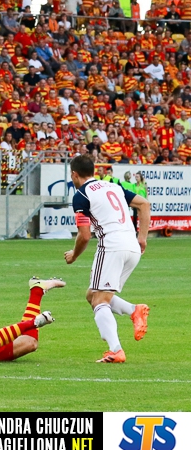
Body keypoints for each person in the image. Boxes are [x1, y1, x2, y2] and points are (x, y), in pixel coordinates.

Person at [64, 155, 151, 363]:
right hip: (132, 247)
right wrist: (142, 238)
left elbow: (85, 235)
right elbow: (144, 204)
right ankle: (134, 310)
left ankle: (115, 350)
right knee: (92, 294)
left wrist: (73, 255)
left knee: (99, 300)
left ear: (74, 174)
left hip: (112, 247)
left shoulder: (81, 195)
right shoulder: (113, 186)